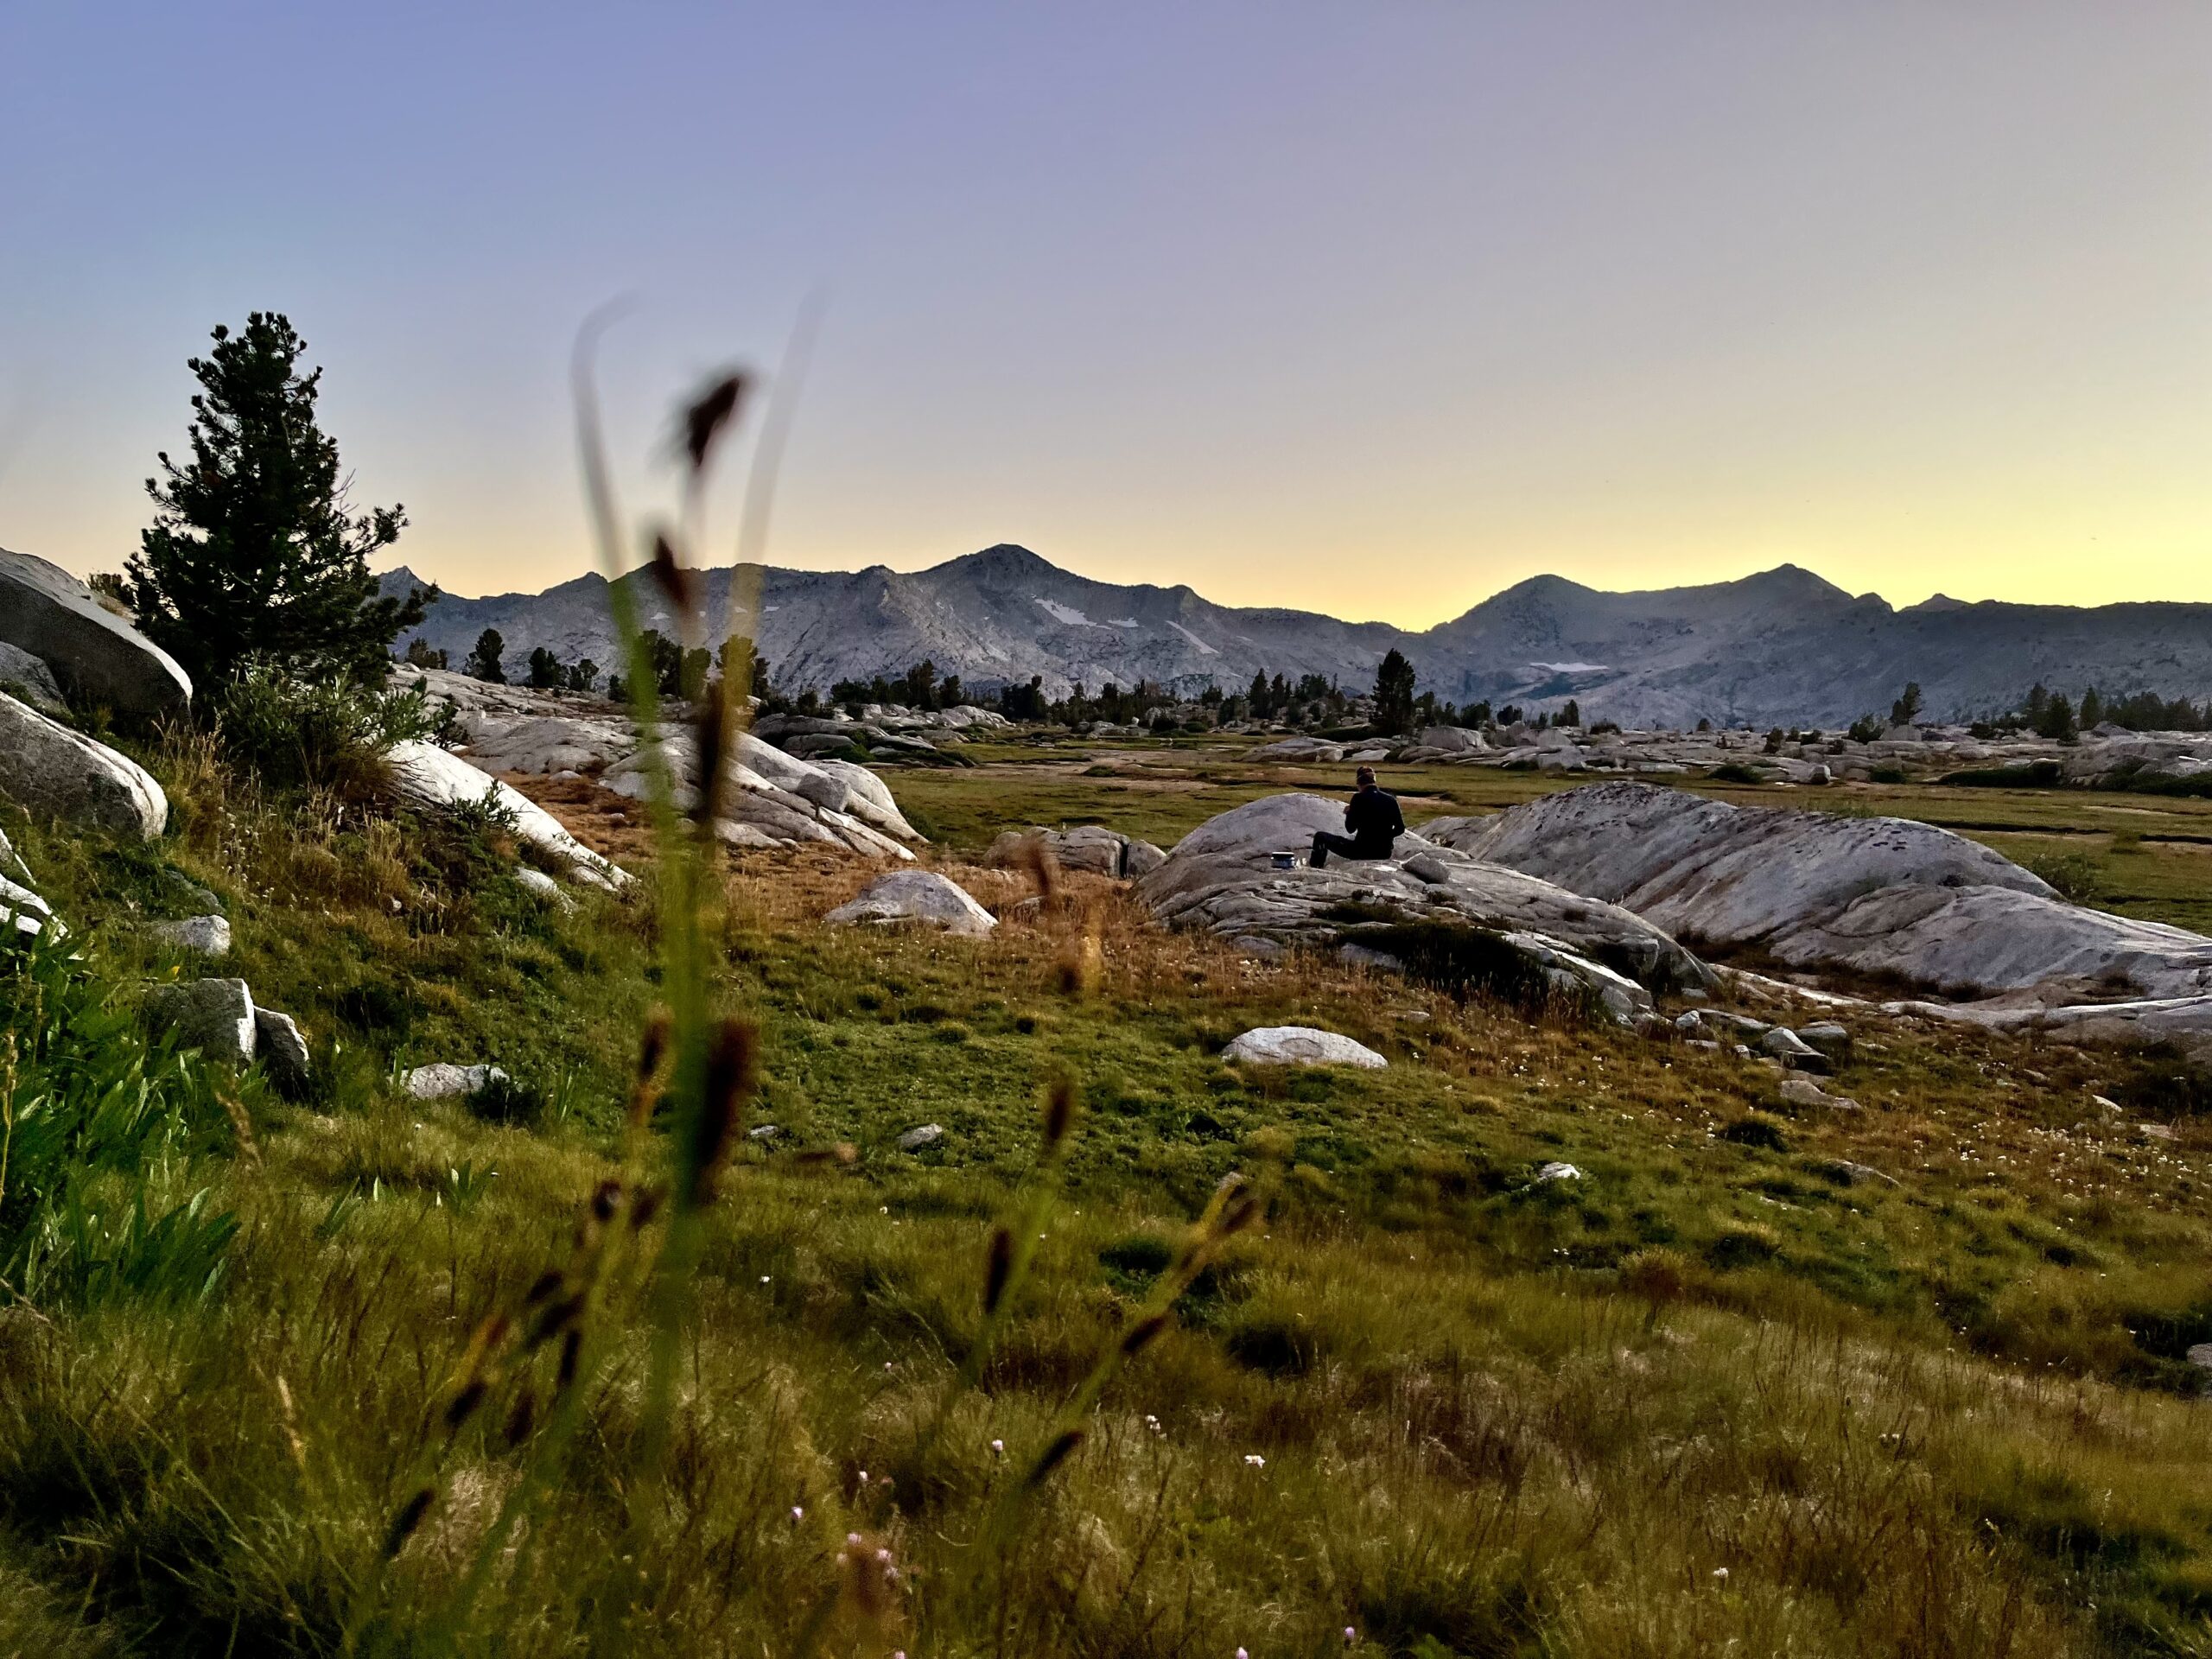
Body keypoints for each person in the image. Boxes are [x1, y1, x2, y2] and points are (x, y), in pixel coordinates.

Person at [1310, 766, 1403, 868]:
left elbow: (1350, 829)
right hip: (1384, 853)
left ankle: (1316, 868)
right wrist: (1386, 836)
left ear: (1359, 784)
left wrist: (1349, 813)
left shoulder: (1358, 798)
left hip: (1362, 851)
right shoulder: (1391, 800)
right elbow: (1400, 828)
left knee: (1320, 837)